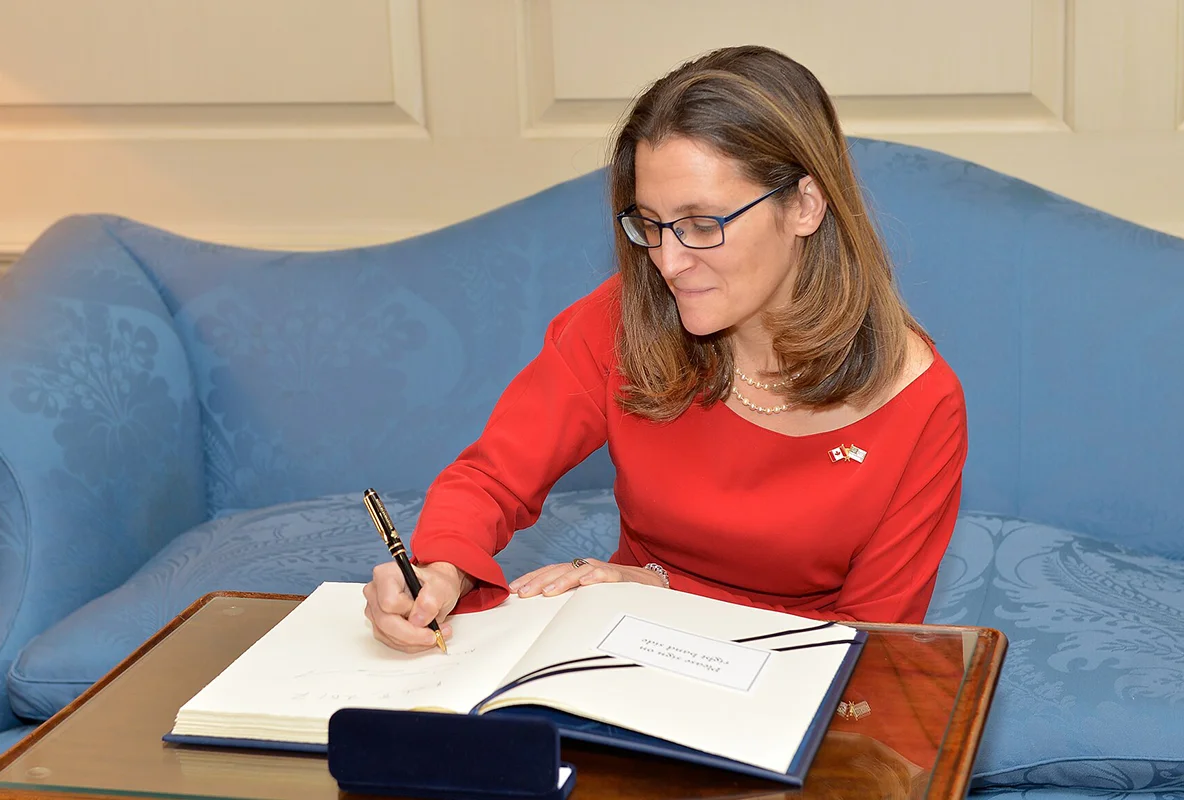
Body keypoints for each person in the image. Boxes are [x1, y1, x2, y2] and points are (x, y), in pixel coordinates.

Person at [364, 45, 967, 653]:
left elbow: (872, 643)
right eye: (649, 223)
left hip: (792, 678)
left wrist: (661, 589)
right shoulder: (623, 318)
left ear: (804, 206)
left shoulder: (920, 402)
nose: (668, 262)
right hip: (627, 649)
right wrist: (442, 566)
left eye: (704, 224)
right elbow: (492, 478)